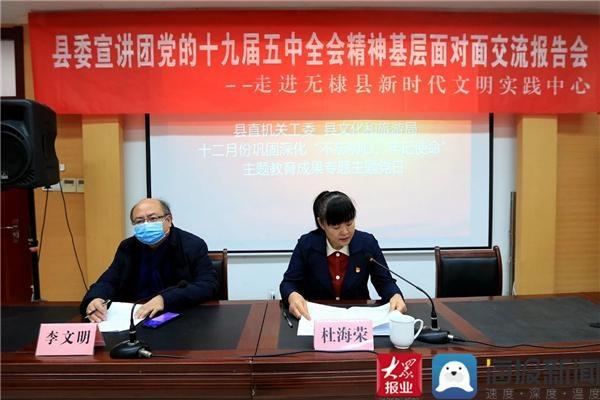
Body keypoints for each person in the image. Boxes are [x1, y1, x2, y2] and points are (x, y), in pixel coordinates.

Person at [80, 198, 218, 322]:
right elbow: (109, 280)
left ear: (168, 220)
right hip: (135, 318)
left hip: (179, 315)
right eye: (139, 221)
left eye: (153, 219)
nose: (146, 224)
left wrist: (164, 299)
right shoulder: (127, 247)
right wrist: (95, 298)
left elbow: (208, 284)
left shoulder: (192, 245)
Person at [280, 190, 407, 320]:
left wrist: (394, 295)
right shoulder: (307, 244)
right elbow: (289, 283)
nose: (345, 232)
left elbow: (385, 282)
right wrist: (292, 295)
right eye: (336, 227)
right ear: (322, 223)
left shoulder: (367, 243)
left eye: (349, 223)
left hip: (358, 318)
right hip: (317, 319)